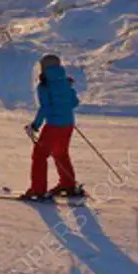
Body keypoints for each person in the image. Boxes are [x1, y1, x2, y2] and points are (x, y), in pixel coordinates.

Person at [21, 54, 82, 200]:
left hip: (54, 125)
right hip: (68, 124)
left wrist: (35, 125)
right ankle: (68, 185)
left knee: (39, 156)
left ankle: (38, 190)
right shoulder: (66, 82)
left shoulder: (44, 86)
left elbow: (45, 108)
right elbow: (74, 103)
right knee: (61, 153)